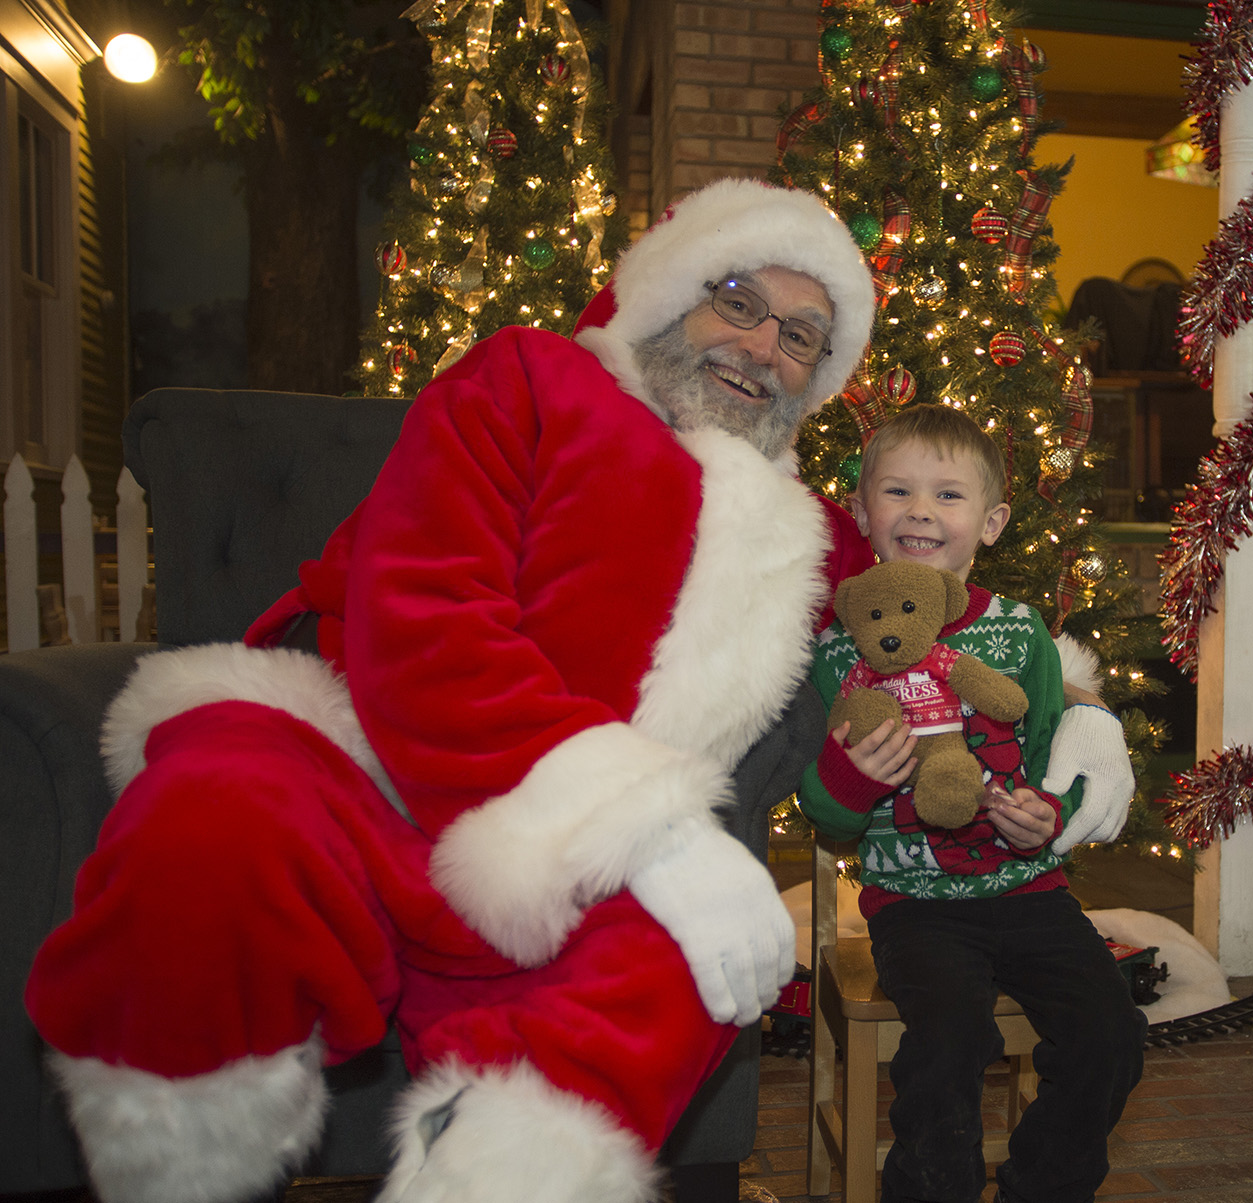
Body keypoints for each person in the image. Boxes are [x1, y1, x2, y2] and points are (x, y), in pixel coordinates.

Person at [25, 179, 1131, 1203]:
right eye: (739, 303)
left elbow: (929, 611)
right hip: (356, 756)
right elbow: (426, 610)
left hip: (578, 869)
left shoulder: (808, 530)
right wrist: (645, 828)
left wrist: (1075, 706)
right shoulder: (526, 377)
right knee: (214, 815)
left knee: (701, 959)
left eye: (802, 337)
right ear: (667, 291)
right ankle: (181, 1168)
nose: (763, 347)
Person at [797, 404, 1145, 1203]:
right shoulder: (835, 652)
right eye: (898, 490)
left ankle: (1041, 1185)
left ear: (990, 523)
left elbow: (1061, 755)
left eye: (948, 495)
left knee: (1110, 1033)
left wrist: (1046, 821)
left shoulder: (1021, 634)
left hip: (1032, 894)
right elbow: (826, 816)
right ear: (861, 511)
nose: (921, 510)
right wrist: (855, 779)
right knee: (947, 1044)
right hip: (914, 904)